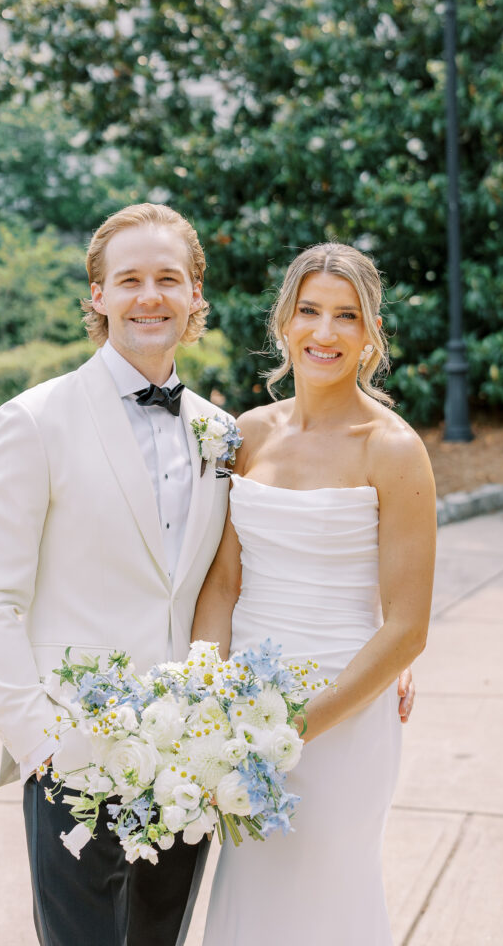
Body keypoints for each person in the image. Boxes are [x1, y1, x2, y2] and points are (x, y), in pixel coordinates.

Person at [0, 209, 415, 946]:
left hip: (192, 759)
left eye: (168, 278)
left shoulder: (220, 432)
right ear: (98, 295)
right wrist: (41, 744)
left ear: (195, 294)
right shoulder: (33, 421)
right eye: (129, 279)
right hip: (74, 750)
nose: (150, 296)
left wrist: (377, 644)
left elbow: (249, 570)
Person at [193, 242, 437, 945]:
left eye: (346, 316)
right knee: (252, 897)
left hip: (343, 710)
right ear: (283, 322)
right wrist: (206, 701)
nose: (324, 332)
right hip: (241, 708)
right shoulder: (246, 435)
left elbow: (407, 628)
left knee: (328, 895)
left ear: (370, 336)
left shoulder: (391, 449)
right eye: (309, 311)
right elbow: (223, 582)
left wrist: (293, 727)